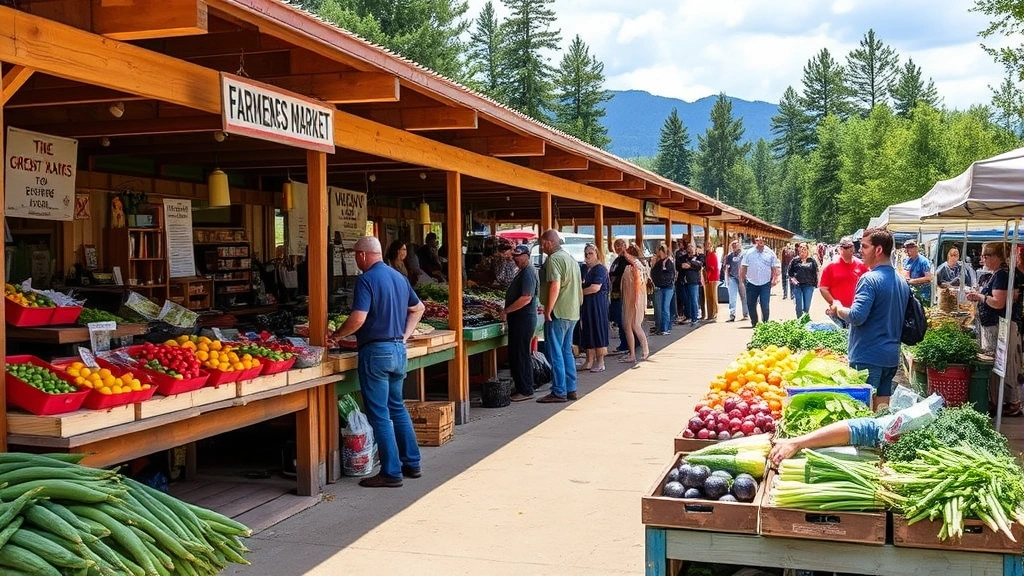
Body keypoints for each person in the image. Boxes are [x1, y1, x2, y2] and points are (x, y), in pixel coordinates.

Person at [330, 236, 425, 488]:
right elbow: (418, 309)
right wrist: (404, 335)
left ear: (362, 255)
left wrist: (336, 335)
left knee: (380, 414)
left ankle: (391, 472)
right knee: (397, 407)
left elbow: (358, 318)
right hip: (397, 350)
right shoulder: (399, 277)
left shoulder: (366, 280)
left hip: (376, 352)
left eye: (355, 256)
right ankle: (412, 463)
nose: (355, 260)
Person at [827, 228, 909, 410]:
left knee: (862, 413)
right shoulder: (901, 281)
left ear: (878, 250)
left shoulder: (869, 279)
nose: (860, 251)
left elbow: (856, 316)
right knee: (881, 410)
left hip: (868, 357)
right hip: (890, 357)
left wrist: (838, 308)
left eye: (864, 247)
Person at [966, 242, 1022, 416]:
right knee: (999, 364)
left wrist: (980, 296)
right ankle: (1000, 401)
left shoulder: (1002, 275)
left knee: (1002, 364)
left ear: (998, 257)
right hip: (993, 325)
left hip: (1000, 326)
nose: (983, 258)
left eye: (986, 255)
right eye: (983, 255)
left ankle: (1011, 402)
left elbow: (998, 302)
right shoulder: (995, 274)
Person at [537, 229, 583, 403]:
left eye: (542, 244)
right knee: (567, 352)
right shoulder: (570, 259)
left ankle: (558, 391)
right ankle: (571, 389)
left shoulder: (554, 259)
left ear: (549, 243)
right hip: (572, 312)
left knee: (555, 352)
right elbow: (579, 287)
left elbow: (555, 285)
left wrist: (548, 309)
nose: (542, 247)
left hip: (559, 312)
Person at [502, 244, 539, 402]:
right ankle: (521, 387)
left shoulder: (528, 273)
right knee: (517, 354)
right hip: (519, 320)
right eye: (514, 257)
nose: (515, 259)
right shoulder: (523, 272)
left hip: (523, 319)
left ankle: (525, 390)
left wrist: (507, 311)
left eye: (518, 257)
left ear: (526, 256)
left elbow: (526, 298)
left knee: (521, 354)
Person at [818, 237, 869, 329]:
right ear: (840, 249)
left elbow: (870, 285)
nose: (850, 249)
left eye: (851, 246)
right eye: (846, 247)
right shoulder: (830, 267)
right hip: (838, 312)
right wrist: (833, 302)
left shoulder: (861, 266)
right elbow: (823, 288)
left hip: (856, 311)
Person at [579, 243, 610, 372]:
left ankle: (601, 362)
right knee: (588, 330)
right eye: (586, 254)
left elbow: (595, 287)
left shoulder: (600, 269)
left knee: (598, 330)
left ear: (597, 254)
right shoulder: (585, 268)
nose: (588, 256)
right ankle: (589, 360)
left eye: (591, 253)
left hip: (598, 305)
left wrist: (579, 294)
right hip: (587, 305)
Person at [739, 236, 781, 327]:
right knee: (751, 304)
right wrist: (742, 279)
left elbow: (774, 267)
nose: (761, 242)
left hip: (765, 282)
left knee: (765, 304)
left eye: (763, 241)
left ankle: (765, 322)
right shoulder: (749, 253)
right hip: (751, 282)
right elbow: (743, 267)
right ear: (756, 241)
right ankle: (754, 322)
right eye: (759, 241)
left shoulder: (770, 253)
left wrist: (775, 278)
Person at [620, 244, 650, 365]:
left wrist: (624, 252)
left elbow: (635, 283)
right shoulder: (641, 264)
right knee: (633, 325)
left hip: (633, 298)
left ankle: (641, 351)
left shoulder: (634, 265)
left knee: (632, 325)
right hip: (636, 297)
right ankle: (636, 352)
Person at [607, 238, 631, 355]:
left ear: (625, 246)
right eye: (616, 246)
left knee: (623, 321)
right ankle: (624, 344)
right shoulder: (616, 260)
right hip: (615, 294)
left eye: (620, 246)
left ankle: (626, 345)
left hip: (623, 294)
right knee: (618, 319)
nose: (617, 248)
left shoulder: (627, 259)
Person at [650, 243, 676, 335]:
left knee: (665, 307)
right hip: (660, 287)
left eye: (660, 251)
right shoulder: (658, 262)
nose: (658, 253)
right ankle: (661, 327)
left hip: (667, 287)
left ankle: (665, 328)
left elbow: (670, 274)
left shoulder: (668, 261)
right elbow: (653, 273)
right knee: (660, 308)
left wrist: (665, 280)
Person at [788, 242, 819, 319]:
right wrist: (793, 280)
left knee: (806, 307)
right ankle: (799, 321)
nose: (802, 249)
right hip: (798, 286)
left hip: (809, 286)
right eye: (801, 247)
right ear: (798, 249)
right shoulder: (794, 260)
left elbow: (816, 272)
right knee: (799, 306)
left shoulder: (812, 261)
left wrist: (817, 283)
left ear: (807, 250)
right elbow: (790, 273)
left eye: (804, 247)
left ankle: (805, 322)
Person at [679, 242, 704, 327]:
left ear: (695, 248)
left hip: (693, 281)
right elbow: (679, 266)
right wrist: (690, 265)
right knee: (686, 300)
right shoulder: (683, 257)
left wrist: (689, 265)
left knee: (694, 299)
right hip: (684, 281)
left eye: (691, 246)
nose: (690, 248)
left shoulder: (699, 256)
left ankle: (695, 318)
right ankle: (688, 316)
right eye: (688, 246)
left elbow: (699, 265)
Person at [723, 240, 747, 323]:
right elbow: (726, 267)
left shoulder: (744, 254)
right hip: (732, 277)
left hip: (742, 278)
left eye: (735, 245)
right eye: (732, 245)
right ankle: (732, 315)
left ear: (739, 245)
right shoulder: (729, 256)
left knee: (744, 296)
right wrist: (727, 279)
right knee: (732, 297)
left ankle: (745, 313)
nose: (734, 247)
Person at [902, 239, 933, 304]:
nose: (907, 251)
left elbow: (928, 278)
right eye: (906, 248)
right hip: (910, 293)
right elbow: (906, 273)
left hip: (922, 295)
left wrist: (912, 281)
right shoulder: (907, 260)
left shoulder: (923, 261)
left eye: (909, 248)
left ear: (916, 248)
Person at [703, 241, 719, 322]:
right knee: (708, 297)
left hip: (712, 278)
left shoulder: (712, 255)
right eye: (706, 245)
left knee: (713, 296)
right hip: (707, 278)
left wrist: (707, 276)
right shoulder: (706, 255)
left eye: (709, 245)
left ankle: (714, 314)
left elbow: (712, 268)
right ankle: (709, 315)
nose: (707, 246)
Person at [674, 238, 689, 324]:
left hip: (685, 276)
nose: (679, 245)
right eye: (678, 243)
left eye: (680, 243)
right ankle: (682, 313)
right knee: (681, 297)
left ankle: (685, 314)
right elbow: (678, 266)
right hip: (681, 276)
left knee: (685, 297)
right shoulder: (678, 252)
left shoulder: (683, 253)